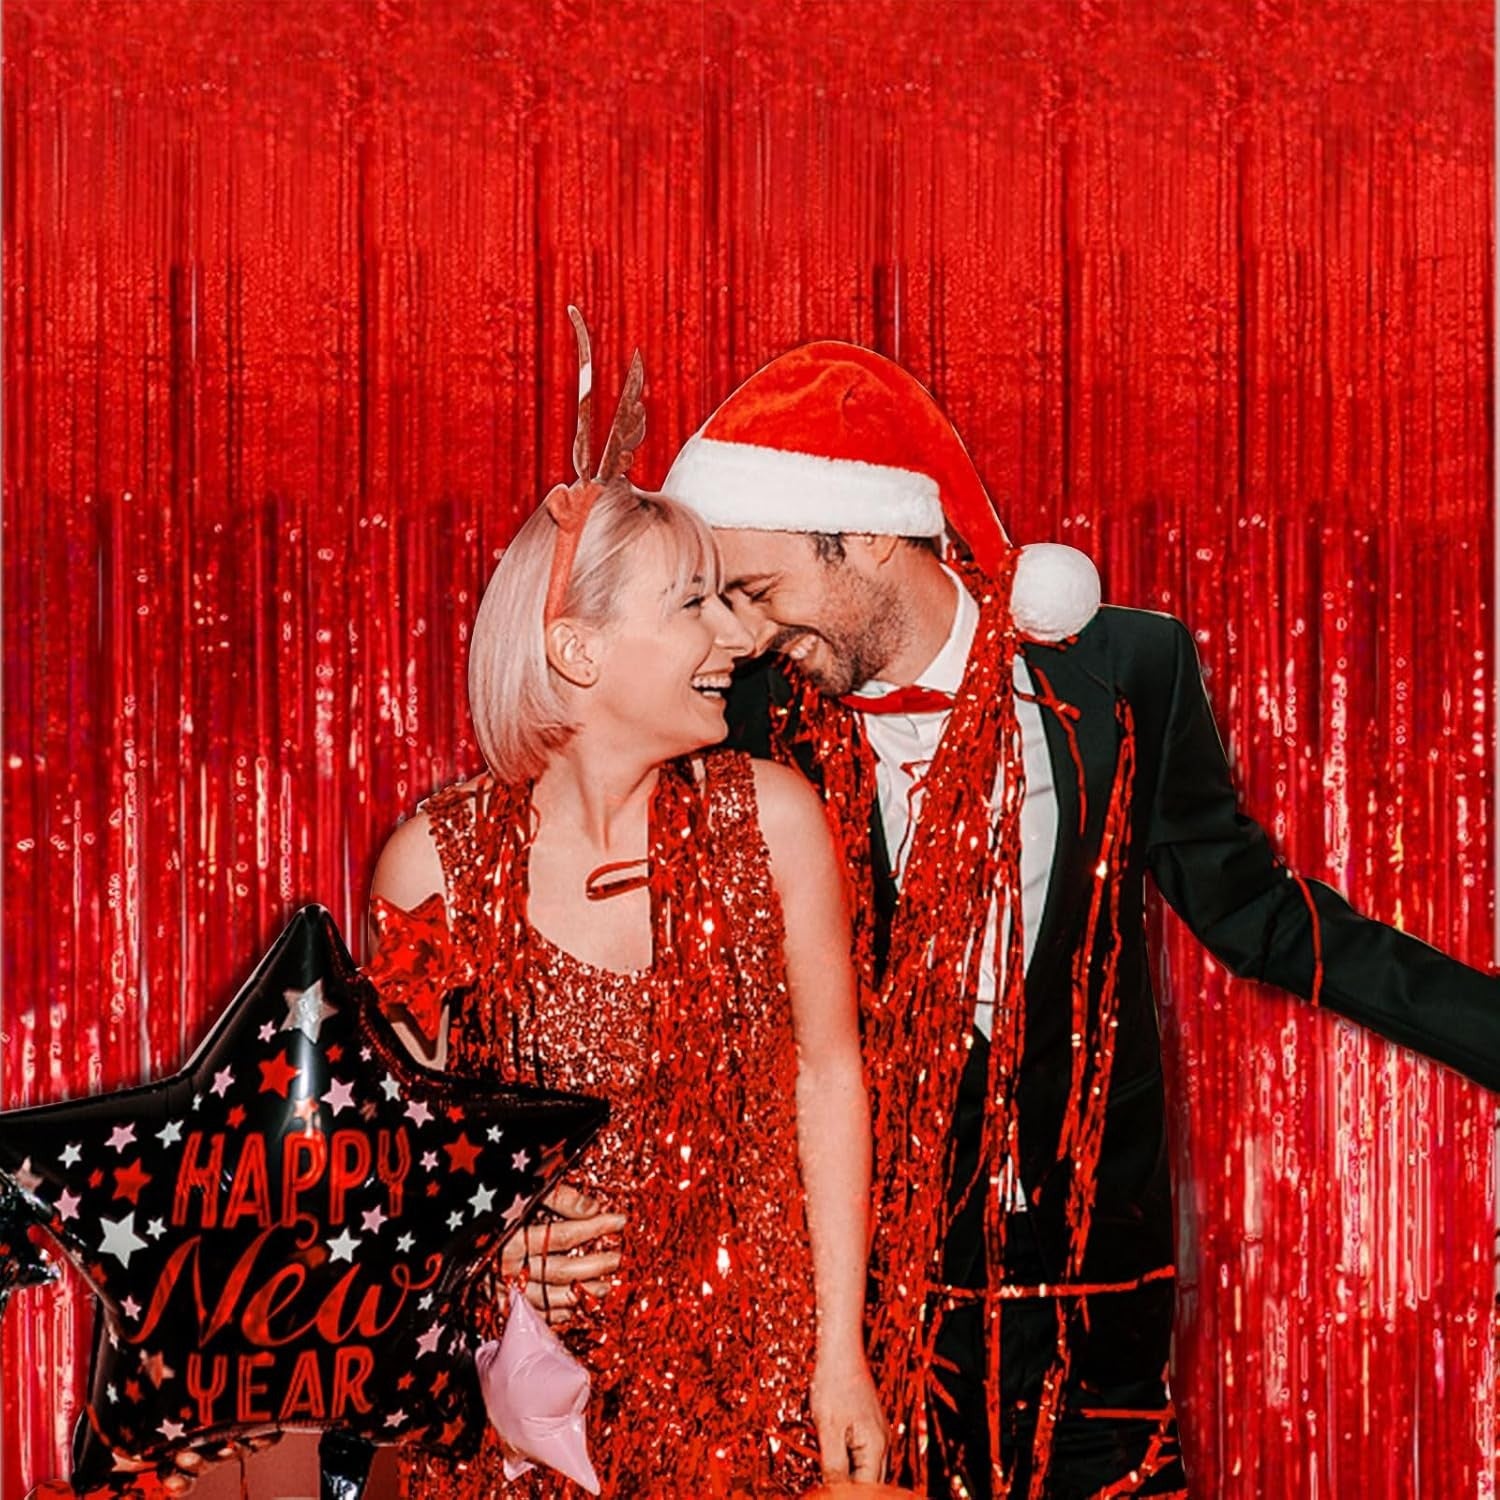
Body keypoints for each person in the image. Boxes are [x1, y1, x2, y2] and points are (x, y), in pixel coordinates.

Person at [651, 339, 1500, 1499]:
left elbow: (1257, 914)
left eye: (757, 590)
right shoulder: (747, 721)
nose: (742, 633)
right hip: (868, 1297)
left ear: (863, 535)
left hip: (1100, 1280)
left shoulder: (1126, 668)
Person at [362, 319, 888, 1497]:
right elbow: (397, 1151)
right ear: (579, 651)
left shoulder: (776, 821)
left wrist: (839, 1356)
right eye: (695, 605)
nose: (740, 636)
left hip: (750, 1396)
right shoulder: (432, 865)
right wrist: (487, 1239)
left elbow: (829, 1079)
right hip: (527, 1421)